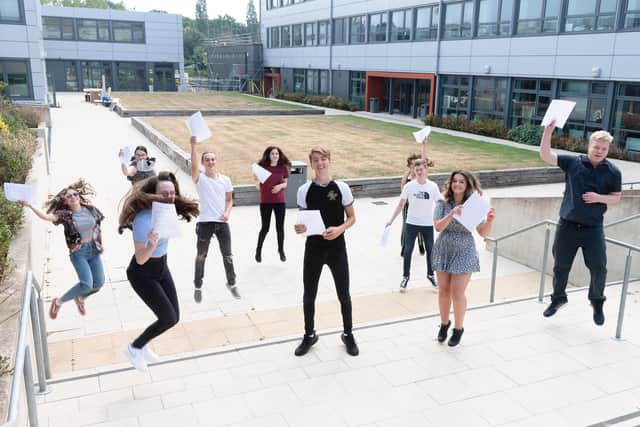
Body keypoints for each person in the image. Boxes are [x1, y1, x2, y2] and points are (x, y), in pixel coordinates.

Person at [539, 122, 621, 325]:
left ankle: (597, 302)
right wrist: (548, 132)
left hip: (593, 229)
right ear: (589, 145)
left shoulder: (613, 171)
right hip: (567, 225)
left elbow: (616, 197)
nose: (599, 151)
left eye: (604, 148)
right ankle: (558, 299)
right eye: (596, 147)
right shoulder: (573, 162)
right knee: (560, 266)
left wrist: (598, 197)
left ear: (607, 150)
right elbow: (546, 155)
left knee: (599, 267)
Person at [118, 171, 199, 371]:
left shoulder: (165, 210)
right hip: (142, 273)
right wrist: (152, 243)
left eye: (172, 193)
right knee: (168, 318)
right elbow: (140, 258)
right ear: (153, 194)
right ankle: (134, 347)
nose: (170, 197)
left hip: (162, 267)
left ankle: (143, 345)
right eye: (164, 193)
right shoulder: (144, 220)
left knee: (174, 317)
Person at [293, 147, 358, 357]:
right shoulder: (304, 190)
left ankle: (348, 334)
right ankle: (309, 334)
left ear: (329, 161)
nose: (320, 163)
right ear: (311, 164)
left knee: (343, 293)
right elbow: (303, 222)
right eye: (315, 160)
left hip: (337, 248)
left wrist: (339, 229)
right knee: (309, 294)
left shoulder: (341, 187)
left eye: (323, 159)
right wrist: (299, 228)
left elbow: (352, 218)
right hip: (313, 248)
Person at [19, 180, 105, 319]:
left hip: (94, 250)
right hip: (79, 252)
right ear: (65, 202)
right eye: (69, 196)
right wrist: (29, 205)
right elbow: (47, 217)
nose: (73, 197)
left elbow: (97, 225)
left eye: (75, 194)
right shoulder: (65, 215)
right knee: (86, 284)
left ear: (79, 196)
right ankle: (59, 302)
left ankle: (81, 298)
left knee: (99, 283)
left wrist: (99, 242)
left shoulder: (91, 209)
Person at [432, 170, 495, 347]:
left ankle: (458, 328)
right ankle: (444, 324)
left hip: (465, 250)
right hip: (444, 248)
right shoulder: (442, 202)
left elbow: (482, 233)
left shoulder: (474, 204)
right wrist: (452, 213)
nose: (457, 184)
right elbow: (438, 227)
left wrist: (489, 221)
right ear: (450, 184)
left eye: (461, 182)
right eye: (455, 181)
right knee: (443, 291)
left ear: (467, 185)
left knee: (457, 292)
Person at [190, 136, 239, 303]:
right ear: (203, 163)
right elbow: (194, 166)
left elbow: (229, 200)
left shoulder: (225, 180)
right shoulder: (200, 178)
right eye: (207, 160)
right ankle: (197, 285)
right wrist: (193, 146)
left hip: (222, 223)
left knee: (228, 255)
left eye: (212, 159)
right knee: (201, 255)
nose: (210, 162)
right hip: (205, 223)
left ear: (215, 161)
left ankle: (232, 283)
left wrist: (227, 213)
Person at [386, 148, 441, 291]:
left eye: (421, 169)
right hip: (411, 223)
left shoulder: (433, 186)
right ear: (414, 171)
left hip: (427, 224)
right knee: (407, 251)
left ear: (426, 169)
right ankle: (405, 277)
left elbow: (440, 203)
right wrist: (391, 220)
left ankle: (430, 275)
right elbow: (400, 204)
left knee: (431, 251)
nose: (419, 172)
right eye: (416, 170)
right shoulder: (409, 186)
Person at [253, 146, 291, 263]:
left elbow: (285, 184)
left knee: (280, 228)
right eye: (272, 154)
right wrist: (257, 182)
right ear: (268, 155)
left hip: (280, 201)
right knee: (265, 228)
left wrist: (280, 186)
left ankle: (281, 250)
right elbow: (256, 183)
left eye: (277, 154)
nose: (275, 156)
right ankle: (258, 251)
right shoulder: (262, 168)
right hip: (266, 202)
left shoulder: (282, 168)